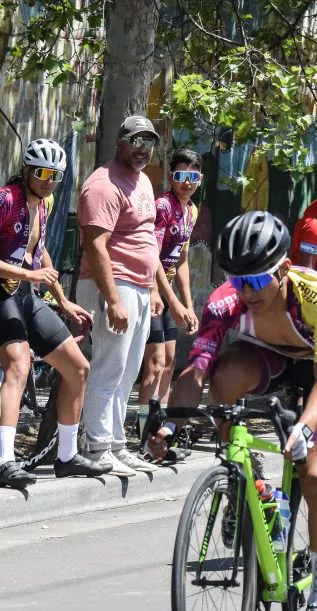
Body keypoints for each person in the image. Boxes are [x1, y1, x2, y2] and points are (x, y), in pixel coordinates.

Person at [147, 211, 317, 611]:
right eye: (237, 280)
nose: (246, 291)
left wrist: (304, 427)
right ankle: (250, 483)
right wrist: (171, 421)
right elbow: (197, 371)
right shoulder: (226, 302)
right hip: (269, 354)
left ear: (282, 270)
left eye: (257, 281)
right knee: (224, 378)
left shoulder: (315, 296)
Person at [0, 138, 111, 487]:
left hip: (30, 295)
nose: (48, 180)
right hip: (3, 293)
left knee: (78, 368)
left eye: (55, 175)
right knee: (18, 369)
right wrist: (27, 275)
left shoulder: (45, 203)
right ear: (26, 170)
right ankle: (4, 461)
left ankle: (66, 457)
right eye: (41, 173)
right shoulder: (4, 199)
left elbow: (40, 252)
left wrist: (62, 300)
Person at [76, 116, 165, 477]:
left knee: (128, 371)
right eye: (136, 140)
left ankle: (114, 443)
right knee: (108, 367)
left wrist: (154, 288)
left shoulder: (142, 180)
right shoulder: (103, 184)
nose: (143, 148)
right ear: (120, 141)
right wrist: (113, 299)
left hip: (139, 287)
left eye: (149, 141)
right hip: (113, 284)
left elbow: (146, 238)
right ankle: (94, 446)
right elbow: (95, 246)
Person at [136, 149, 202, 440]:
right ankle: (142, 429)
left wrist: (188, 305)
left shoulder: (192, 210)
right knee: (155, 361)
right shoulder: (163, 206)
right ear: (171, 177)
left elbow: (181, 260)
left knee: (171, 360)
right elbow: (152, 255)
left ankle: (160, 425)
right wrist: (167, 298)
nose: (186, 183)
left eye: (192, 177)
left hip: (168, 289)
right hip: (150, 288)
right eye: (180, 176)